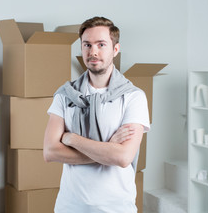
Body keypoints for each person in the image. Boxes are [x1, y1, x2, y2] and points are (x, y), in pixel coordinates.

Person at [43, 16, 150, 213]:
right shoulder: (65, 95)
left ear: (115, 50)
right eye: (87, 45)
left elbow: (123, 157)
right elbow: (50, 152)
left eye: (101, 44)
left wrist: (71, 138)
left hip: (116, 208)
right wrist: (108, 149)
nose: (93, 51)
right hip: (70, 206)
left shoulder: (134, 97)